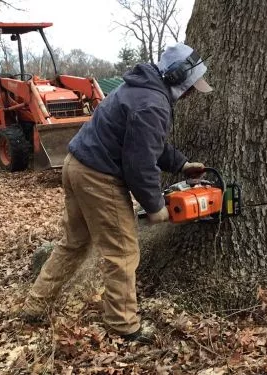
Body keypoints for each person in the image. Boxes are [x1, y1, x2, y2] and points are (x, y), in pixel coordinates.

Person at [20, 43, 213, 344]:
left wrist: (181, 164)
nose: (190, 93)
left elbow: (148, 143)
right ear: (177, 77)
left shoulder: (142, 89)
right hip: (99, 176)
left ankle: (35, 304)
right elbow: (139, 164)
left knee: (73, 243)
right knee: (122, 251)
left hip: (76, 165)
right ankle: (123, 323)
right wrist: (155, 206)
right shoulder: (152, 104)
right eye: (190, 86)